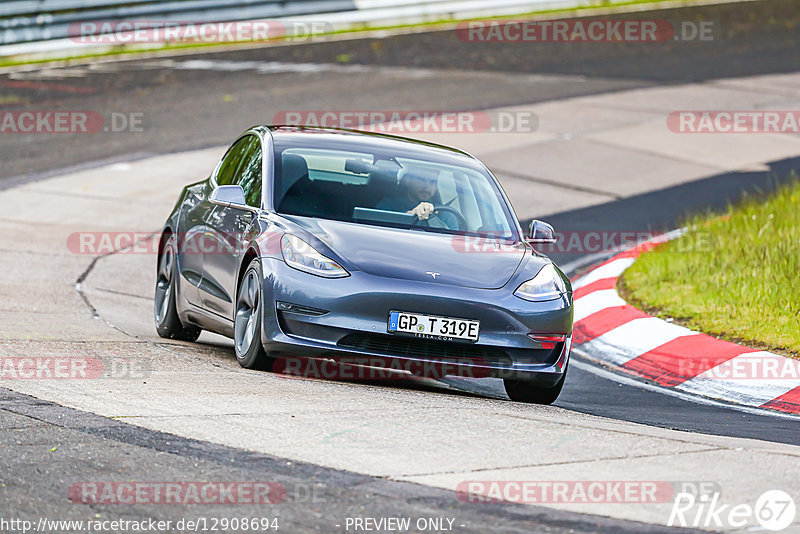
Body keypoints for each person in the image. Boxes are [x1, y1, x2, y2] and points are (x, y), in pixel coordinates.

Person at [376, 168, 458, 229]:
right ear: (408, 181)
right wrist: (410, 215)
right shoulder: (387, 205)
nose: (426, 186)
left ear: (436, 187)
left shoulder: (446, 214)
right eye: (421, 180)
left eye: (432, 182)